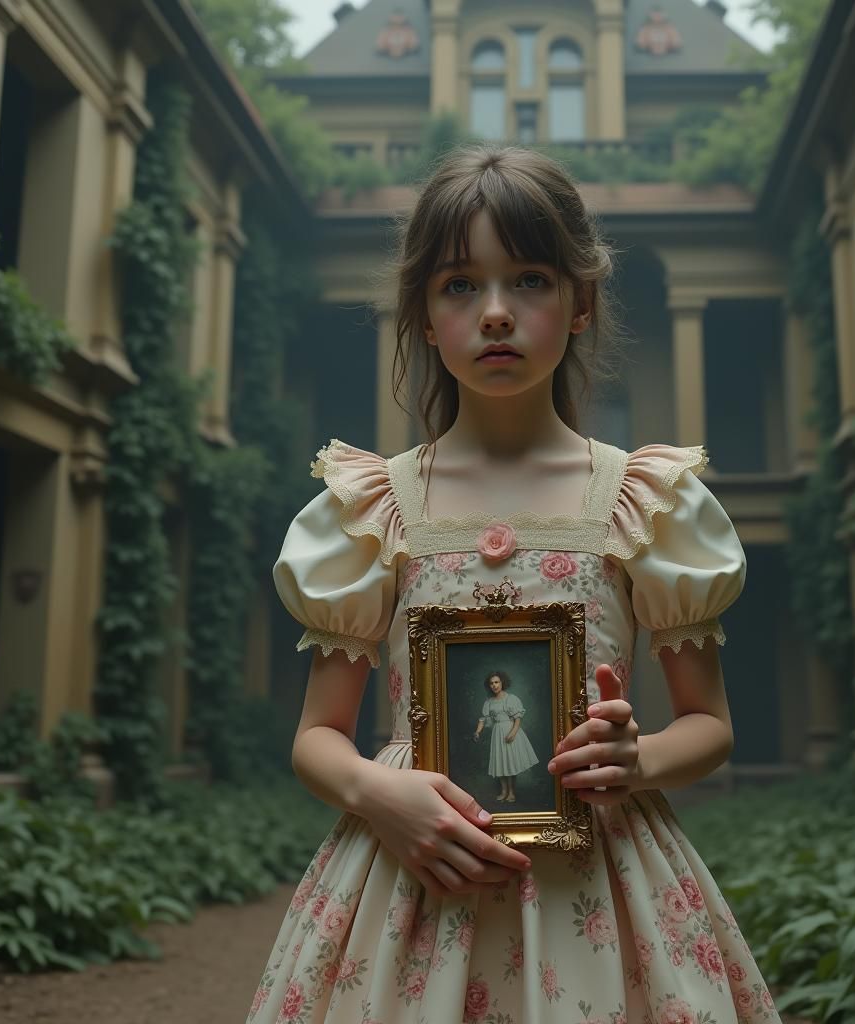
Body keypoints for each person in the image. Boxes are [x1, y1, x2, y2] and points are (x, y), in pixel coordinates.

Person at [247, 146, 782, 1024]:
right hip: (411, 876)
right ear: (422, 315)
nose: (495, 312)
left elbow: (710, 727)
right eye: (460, 285)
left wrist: (636, 760)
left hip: (599, 887)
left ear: (581, 305)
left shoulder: (641, 502)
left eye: (529, 279)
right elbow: (317, 737)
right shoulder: (374, 507)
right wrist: (376, 791)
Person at [473, 670, 540, 802]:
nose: (494, 685)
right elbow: (483, 719)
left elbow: (517, 720)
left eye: (496, 682)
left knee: (510, 762)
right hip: (497, 733)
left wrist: (513, 733)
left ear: (502, 682)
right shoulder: (489, 702)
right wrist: (477, 732)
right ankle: (503, 792)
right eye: (491, 683)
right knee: (501, 762)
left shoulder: (511, 699)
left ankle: (511, 793)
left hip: (510, 730)